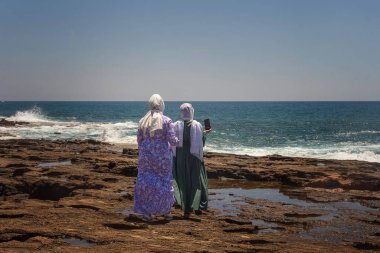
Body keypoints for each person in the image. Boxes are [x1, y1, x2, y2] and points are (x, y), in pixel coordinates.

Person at [134, 94, 179, 221]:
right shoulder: (167, 120)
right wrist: (177, 140)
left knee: (146, 182)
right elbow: (172, 140)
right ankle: (166, 211)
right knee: (164, 182)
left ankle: (147, 213)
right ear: (162, 104)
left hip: (146, 155)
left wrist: (145, 150)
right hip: (162, 157)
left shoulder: (143, 121)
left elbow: (139, 140)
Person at [172, 103, 211, 218]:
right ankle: (197, 205)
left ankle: (185, 209)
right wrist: (206, 133)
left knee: (182, 181)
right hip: (194, 157)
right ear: (191, 111)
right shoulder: (197, 125)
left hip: (180, 157)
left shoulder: (176, 125)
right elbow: (202, 143)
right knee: (196, 180)